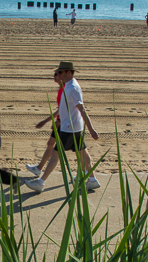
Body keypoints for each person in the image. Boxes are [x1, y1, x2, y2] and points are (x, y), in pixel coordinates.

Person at [24, 62, 100, 193]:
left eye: (60, 72)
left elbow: (82, 109)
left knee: (55, 155)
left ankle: (41, 182)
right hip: (72, 126)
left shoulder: (72, 88)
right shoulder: (69, 86)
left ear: (69, 72)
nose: (58, 74)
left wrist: (91, 129)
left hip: (69, 127)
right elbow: (64, 108)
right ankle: (92, 180)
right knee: (83, 153)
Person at [26, 70, 65, 177]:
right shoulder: (61, 89)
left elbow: (65, 109)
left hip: (64, 123)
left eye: (56, 74)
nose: (54, 76)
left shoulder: (65, 89)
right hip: (61, 122)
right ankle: (39, 168)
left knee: (75, 150)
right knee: (51, 145)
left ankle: (88, 175)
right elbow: (61, 109)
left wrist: (56, 120)